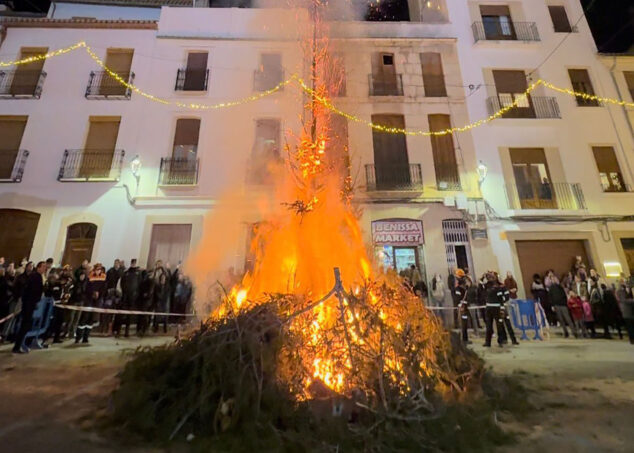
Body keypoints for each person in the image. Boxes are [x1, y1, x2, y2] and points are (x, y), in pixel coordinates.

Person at [12, 261, 46, 354]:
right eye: (43, 267)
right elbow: (33, 291)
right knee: (25, 325)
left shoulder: (37, 276)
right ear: (38, 267)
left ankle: (19, 344)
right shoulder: (35, 276)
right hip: (28, 304)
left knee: (27, 325)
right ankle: (17, 346)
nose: (44, 269)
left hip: (30, 304)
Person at [114, 259, 141, 337]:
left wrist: (136, 294)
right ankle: (118, 330)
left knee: (130, 315)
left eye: (134, 263)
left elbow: (139, 284)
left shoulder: (138, 274)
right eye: (132, 263)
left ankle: (127, 331)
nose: (133, 264)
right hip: (125, 296)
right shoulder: (126, 273)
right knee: (121, 314)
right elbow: (122, 282)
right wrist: (123, 292)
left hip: (133, 297)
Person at [483, 271, 506, 348]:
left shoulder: (498, 287)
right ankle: (487, 342)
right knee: (489, 325)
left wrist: (502, 308)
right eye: (489, 277)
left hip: (496, 307)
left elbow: (500, 299)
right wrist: (483, 276)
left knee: (499, 324)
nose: (490, 279)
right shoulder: (487, 286)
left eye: (491, 277)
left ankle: (501, 340)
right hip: (489, 308)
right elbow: (481, 287)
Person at [453, 272, 470, 344]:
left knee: (465, 323)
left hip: (465, 307)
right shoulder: (458, 289)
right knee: (462, 323)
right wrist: (460, 305)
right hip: (462, 307)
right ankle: (463, 339)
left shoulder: (464, 289)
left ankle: (465, 338)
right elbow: (457, 298)